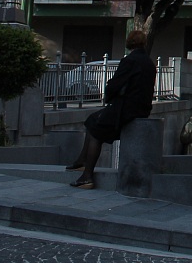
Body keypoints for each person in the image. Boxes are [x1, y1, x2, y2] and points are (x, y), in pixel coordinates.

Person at [65, 30, 157, 188]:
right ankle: (81, 160)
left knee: (94, 129)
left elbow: (115, 85)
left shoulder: (130, 61)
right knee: (91, 120)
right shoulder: (149, 63)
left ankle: (87, 176)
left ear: (129, 44)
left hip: (125, 109)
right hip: (142, 109)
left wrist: (109, 95)